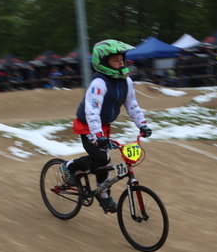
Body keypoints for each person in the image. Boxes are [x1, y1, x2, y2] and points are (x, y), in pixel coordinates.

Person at [60, 39, 152, 213]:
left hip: (103, 126)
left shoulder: (126, 81)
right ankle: (69, 167)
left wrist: (143, 125)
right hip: (88, 125)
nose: (121, 63)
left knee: (104, 162)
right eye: (115, 60)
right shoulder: (99, 83)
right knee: (101, 159)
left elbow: (131, 105)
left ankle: (103, 196)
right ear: (103, 62)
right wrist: (99, 136)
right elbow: (92, 112)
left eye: (121, 60)